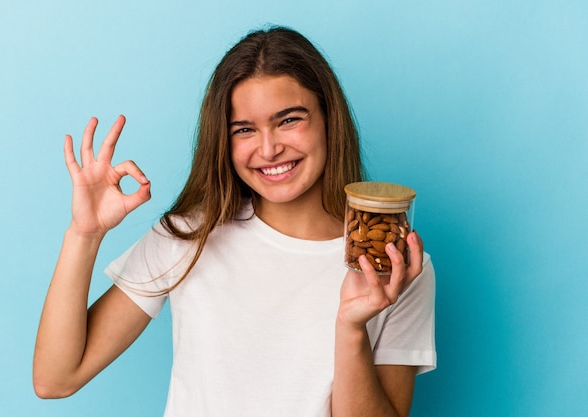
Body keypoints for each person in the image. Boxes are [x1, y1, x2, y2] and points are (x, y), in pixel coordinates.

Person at [33, 26, 436, 417]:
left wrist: (350, 329)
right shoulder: (189, 235)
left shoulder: (396, 265)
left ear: (330, 120)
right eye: (244, 129)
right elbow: (55, 380)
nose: (269, 148)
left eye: (289, 120)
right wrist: (83, 235)